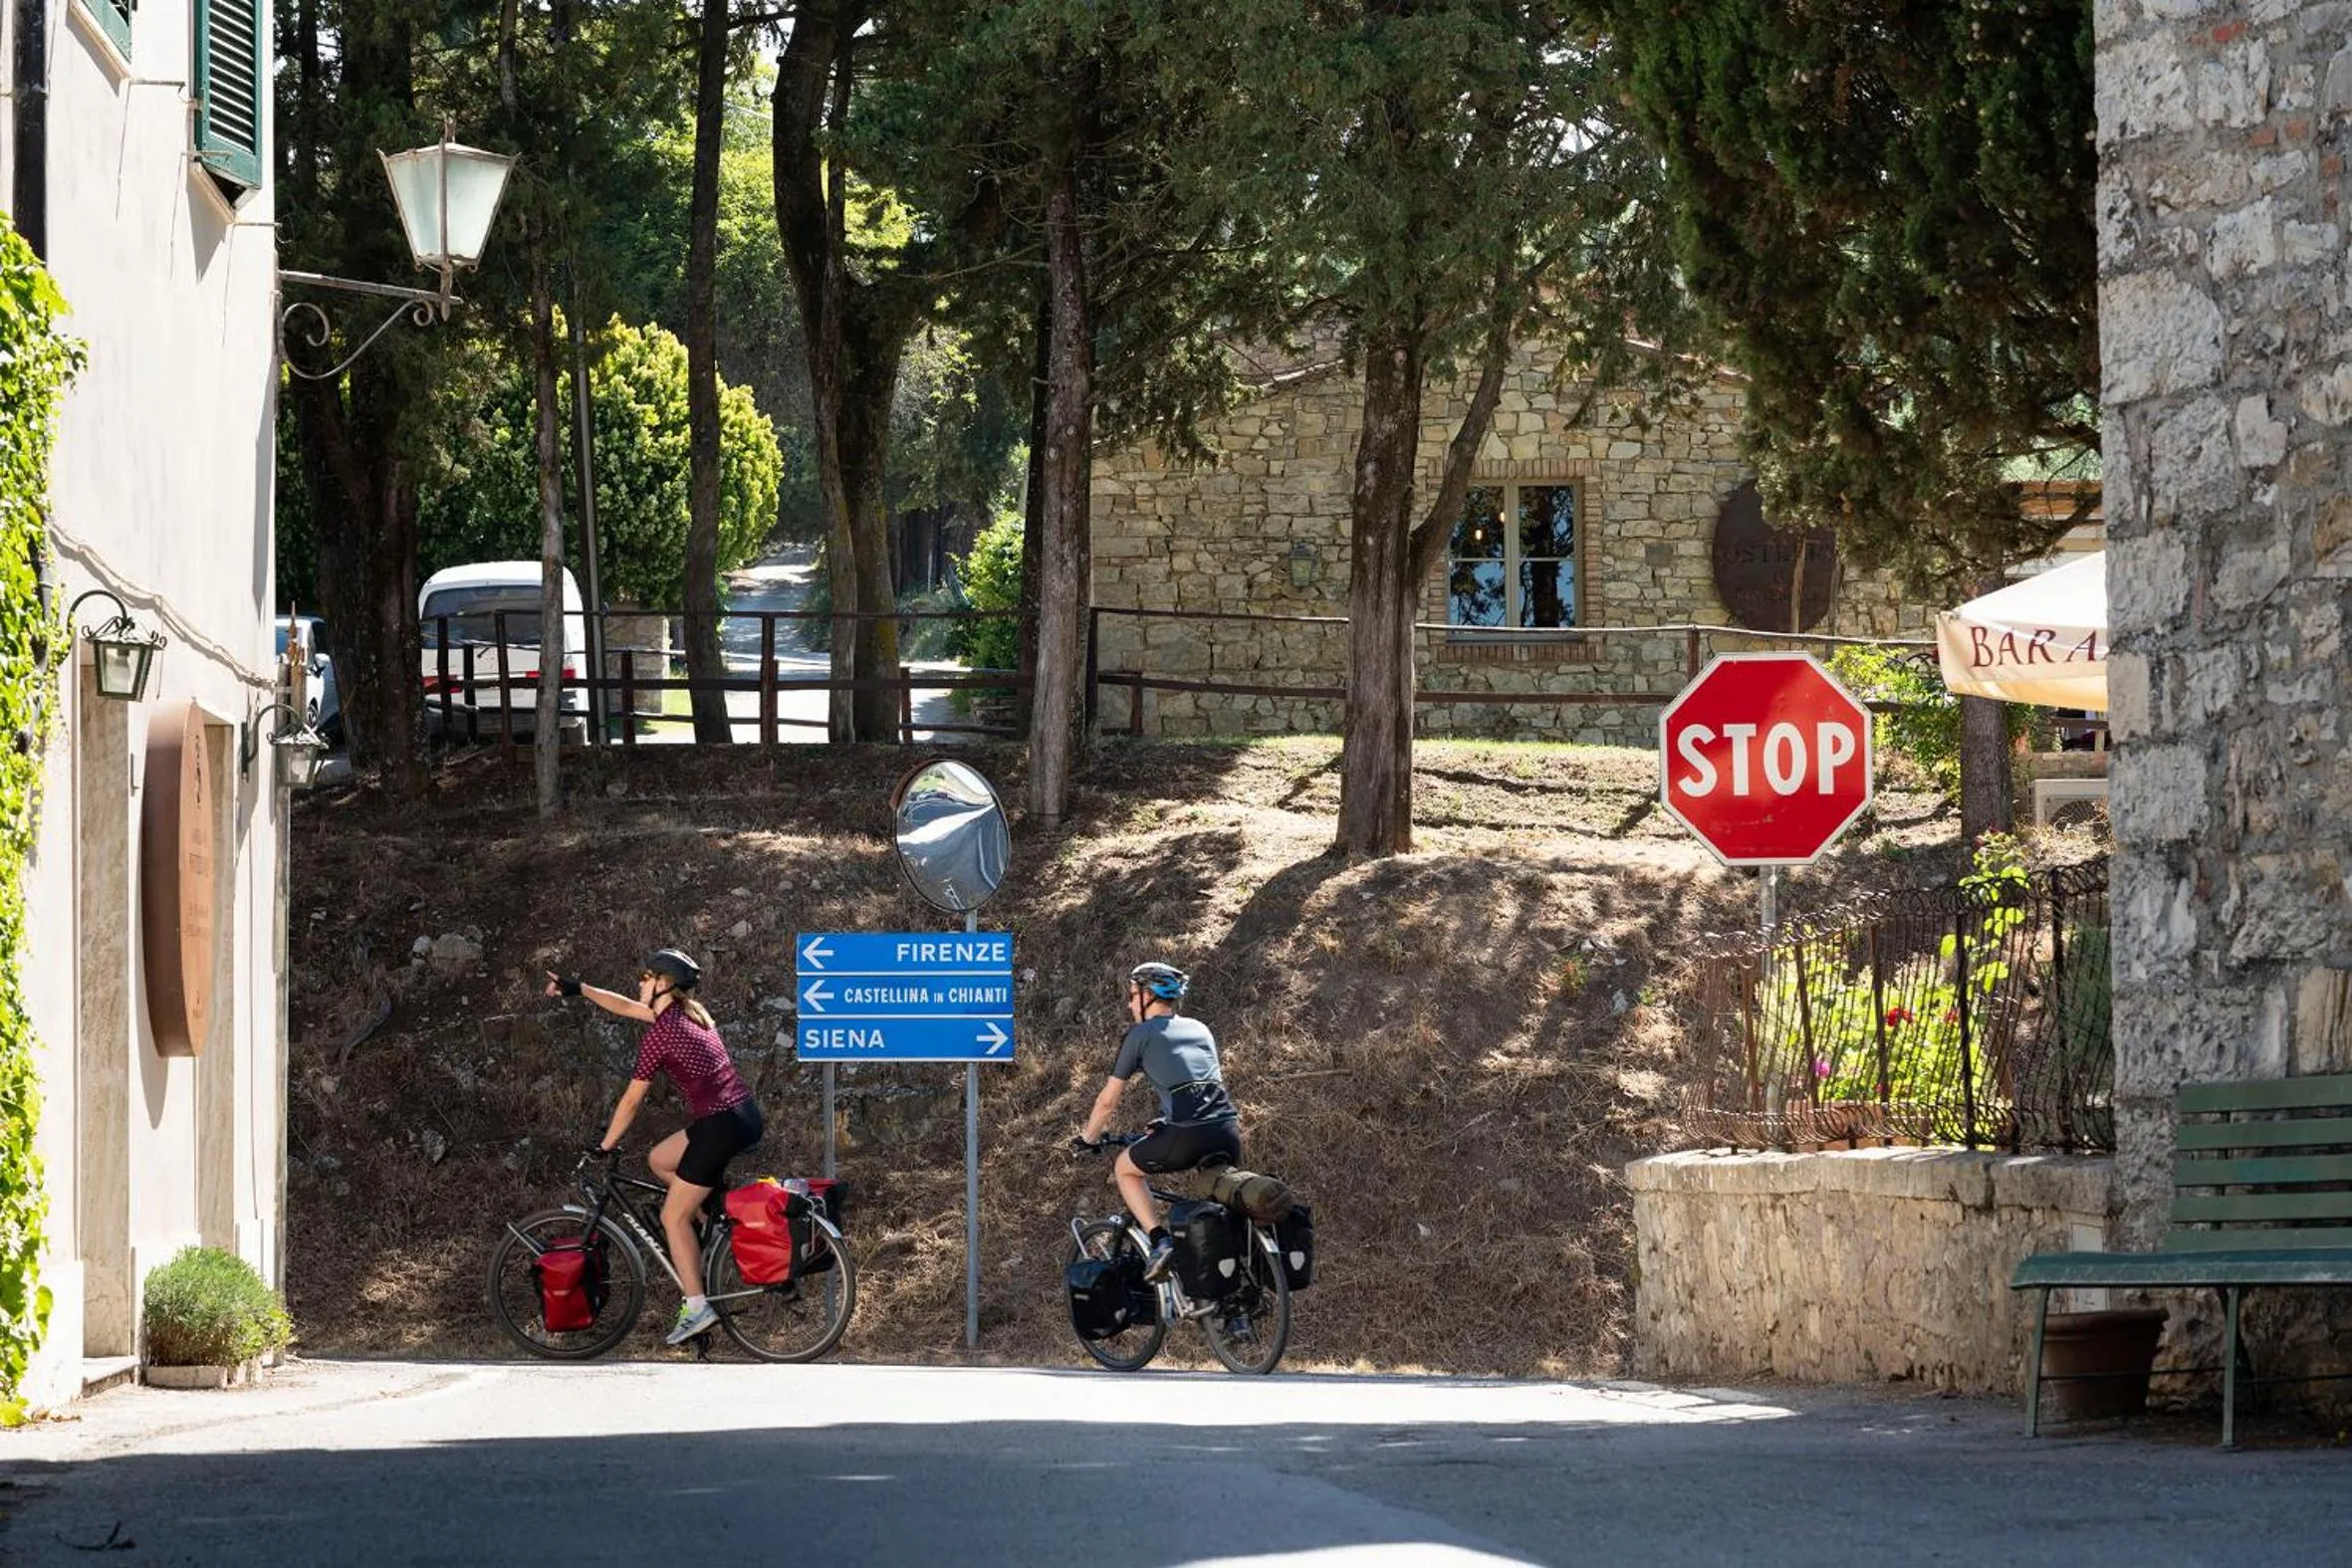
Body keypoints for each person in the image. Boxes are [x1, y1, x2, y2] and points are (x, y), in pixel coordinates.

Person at [545, 948, 763, 1345]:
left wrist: (606, 1145)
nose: (640, 983)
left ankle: (697, 1306)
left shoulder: (662, 1034)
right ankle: (709, 1227)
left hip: (720, 1126)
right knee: (659, 1160)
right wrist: (580, 989)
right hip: (739, 1116)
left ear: (663, 985)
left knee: (671, 1217)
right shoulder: (689, 1015)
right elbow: (627, 1007)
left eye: (647, 977)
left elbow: (631, 1100)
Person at [1072, 961, 1241, 1281]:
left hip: (1187, 1136)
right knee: (1219, 1217)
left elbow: (1107, 1101)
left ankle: (1159, 1241)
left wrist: (1089, 1138)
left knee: (1124, 1168)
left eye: (1133, 995)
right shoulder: (1199, 1028)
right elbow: (1197, 1087)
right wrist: (1165, 1119)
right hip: (1227, 1131)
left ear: (1149, 996)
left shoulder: (1141, 1035)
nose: (1129, 1003)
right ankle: (1229, 1308)